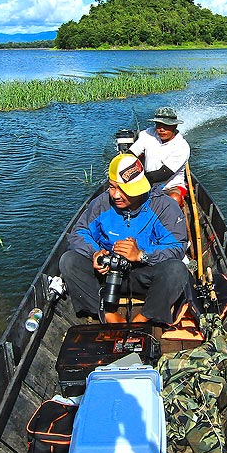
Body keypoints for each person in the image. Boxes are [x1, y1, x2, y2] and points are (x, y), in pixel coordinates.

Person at [59, 153, 193, 324]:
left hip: (143, 275)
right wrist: (96, 254)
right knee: (68, 261)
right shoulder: (101, 203)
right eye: (112, 187)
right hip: (107, 275)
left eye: (123, 190)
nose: (115, 195)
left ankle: (144, 317)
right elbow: (79, 232)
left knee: (177, 270)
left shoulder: (165, 206)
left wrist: (141, 255)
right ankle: (107, 315)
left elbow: (176, 246)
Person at [129, 107, 191, 206]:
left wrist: (136, 178)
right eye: (158, 125)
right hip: (147, 183)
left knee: (174, 199)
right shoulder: (147, 134)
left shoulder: (182, 146)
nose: (161, 129)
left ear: (175, 126)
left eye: (166, 126)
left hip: (171, 187)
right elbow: (131, 154)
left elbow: (163, 174)